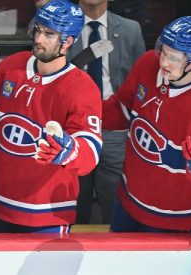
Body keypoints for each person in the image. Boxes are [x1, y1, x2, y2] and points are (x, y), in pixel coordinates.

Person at [0, 0, 102, 233]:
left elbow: (90, 151)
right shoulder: (12, 65)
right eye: (38, 30)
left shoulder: (83, 88)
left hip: (45, 214)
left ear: (67, 42)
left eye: (49, 34)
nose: (39, 39)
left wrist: (71, 151)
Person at [103, 16, 191, 233]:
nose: (163, 63)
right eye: (163, 51)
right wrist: (80, 111)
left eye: (174, 58)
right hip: (128, 200)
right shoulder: (147, 64)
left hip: (173, 217)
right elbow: (120, 110)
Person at [70, 0, 144, 225]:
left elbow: (142, 81)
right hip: (73, 126)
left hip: (115, 129)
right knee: (73, 199)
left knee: (115, 200)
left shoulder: (131, 29)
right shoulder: (62, 26)